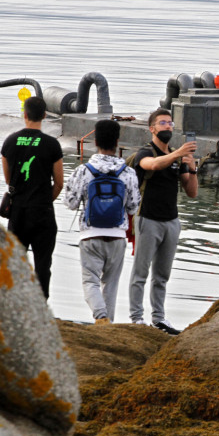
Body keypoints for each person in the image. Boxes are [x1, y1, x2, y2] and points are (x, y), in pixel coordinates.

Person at [128, 109, 198, 334]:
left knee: (162, 275)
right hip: (147, 218)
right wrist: (178, 153)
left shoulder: (177, 158)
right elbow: (154, 165)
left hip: (172, 221)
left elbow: (191, 192)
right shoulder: (145, 152)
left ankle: (159, 318)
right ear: (152, 129)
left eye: (170, 123)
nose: (168, 126)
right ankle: (136, 318)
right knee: (140, 272)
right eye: (162, 123)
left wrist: (192, 168)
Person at [64, 119, 141, 325]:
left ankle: (101, 317)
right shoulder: (128, 172)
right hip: (117, 236)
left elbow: (70, 203)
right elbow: (133, 207)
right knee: (111, 284)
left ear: (95, 141)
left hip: (90, 235)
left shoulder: (83, 170)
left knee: (90, 281)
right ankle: (108, 326)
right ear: (117, 142)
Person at [0, 96, 64, 300]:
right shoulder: (52, 144)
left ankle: (14, 305)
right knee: (43, 264)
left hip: (17, 212)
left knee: (16, 263)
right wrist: (44, 200)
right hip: (42, 212)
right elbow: (59, 183)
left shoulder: (9, 142)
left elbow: (8, 179)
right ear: (44, 115)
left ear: (24, 115)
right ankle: (41, 309)